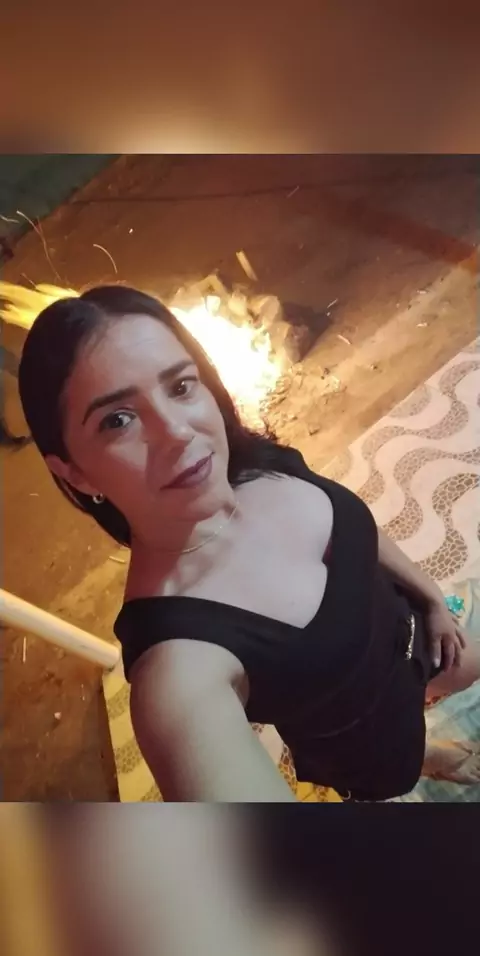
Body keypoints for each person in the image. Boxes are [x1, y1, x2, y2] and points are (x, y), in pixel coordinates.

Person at [18, 285, 480, 802]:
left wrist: (430, 598)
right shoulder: (178, 664)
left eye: (180, 386)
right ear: (75, 473)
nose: (178, 432)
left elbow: (355, 532)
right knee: (406, 766)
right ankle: (428, 758)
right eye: (117, 420)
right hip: (375, 747)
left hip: (425, 638)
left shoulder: (254, 464)